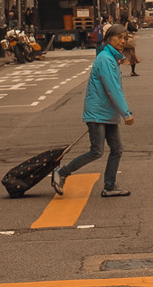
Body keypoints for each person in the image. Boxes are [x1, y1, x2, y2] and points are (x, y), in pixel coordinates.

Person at [52, 24, 134, 199]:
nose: (122, 41)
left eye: (125, 38)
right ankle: (62, 172)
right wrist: (126, 113)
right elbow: (113, 89)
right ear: (108, 39)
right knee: (96, 151)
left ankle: (110, 186)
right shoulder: (105, 59)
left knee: (117, 149)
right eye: (118, 37)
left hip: (107, 113)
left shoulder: (111, 58)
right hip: (98, 112)